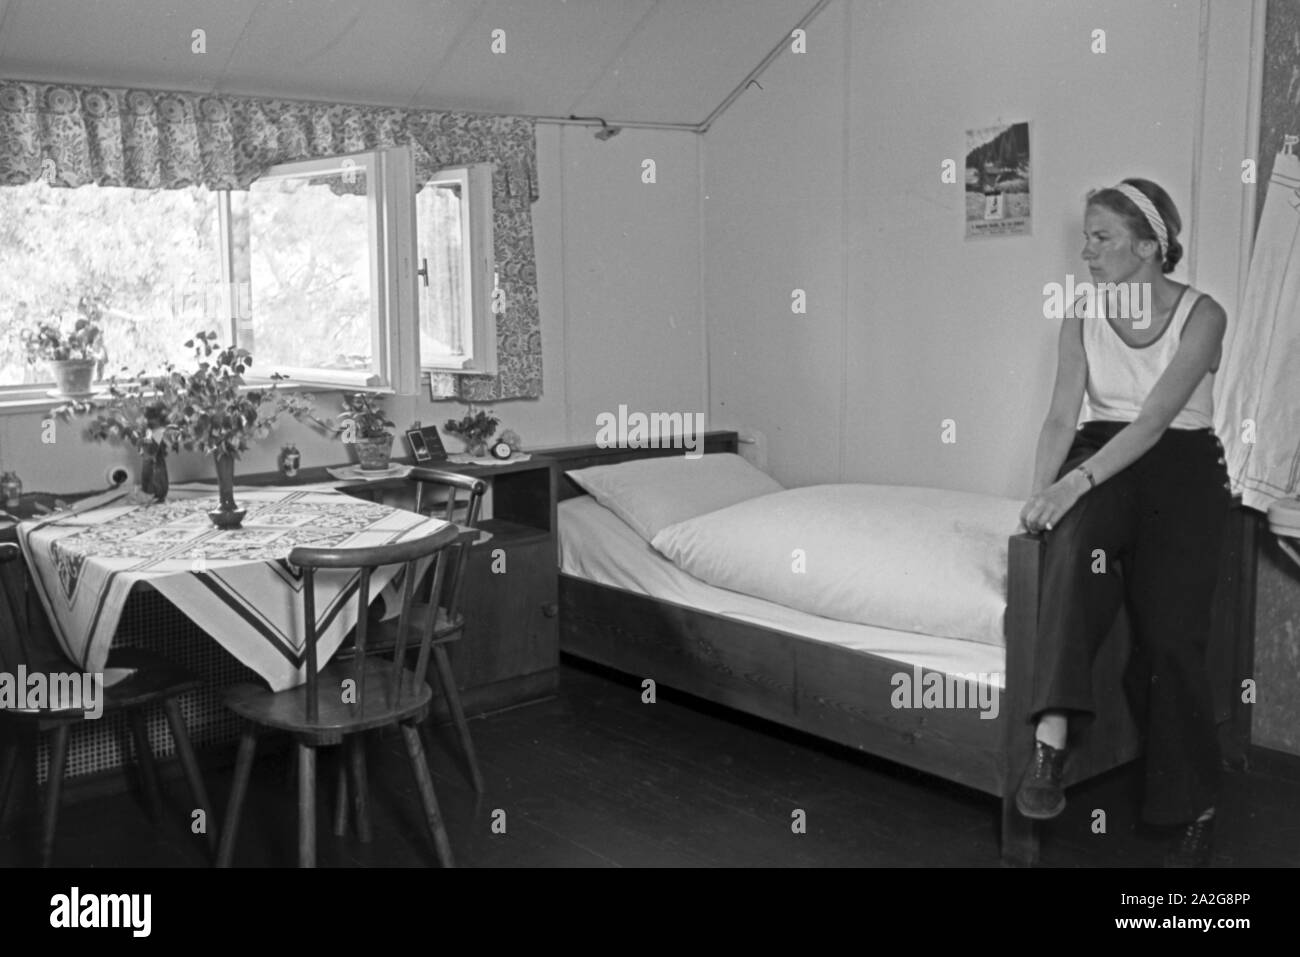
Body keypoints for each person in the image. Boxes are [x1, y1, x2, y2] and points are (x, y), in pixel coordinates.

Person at [1016, 178, 1231, 867]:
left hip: (1177, 462)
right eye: (1086, 236)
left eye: (1101, 238)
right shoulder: (1079, 314)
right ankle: (1050, 744)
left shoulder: (1204, 315)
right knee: (1073, 553)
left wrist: (1076, 481)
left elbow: (1154, 422)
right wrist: (1037, 501)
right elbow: (1059, 416)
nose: (1086, 251)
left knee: (1170, 637)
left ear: (1148, 246)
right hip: (1099, 451)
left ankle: (1192, 802)